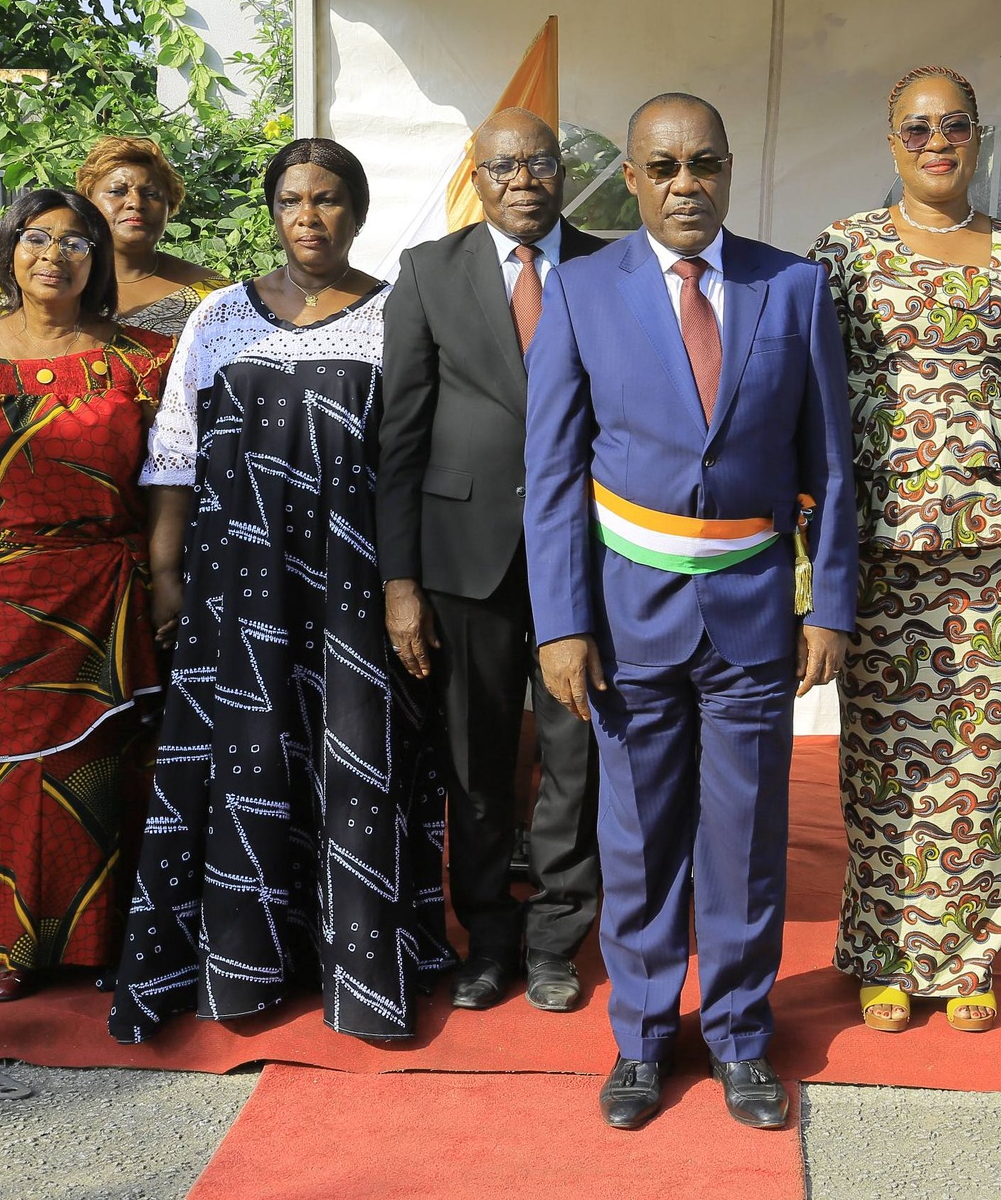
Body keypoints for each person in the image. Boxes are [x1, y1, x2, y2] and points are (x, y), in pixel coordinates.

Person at [525, 93, 856, 1130]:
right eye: (663, 167)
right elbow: (551, 473)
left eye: (703, 164)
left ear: (728, 170)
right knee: (635, 839)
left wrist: (828, 605)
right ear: (631, 177)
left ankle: (741, 1038)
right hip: (626, 618)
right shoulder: (581, 289)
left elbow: (830, 466)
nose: (685, 185)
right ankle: (640, 1039)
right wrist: (561, 624)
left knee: (745, 841)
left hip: (754, 612)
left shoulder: (792, 286)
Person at [109, 138, 456, 1043]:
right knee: (248, 759)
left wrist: (408, 585)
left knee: (354, 758)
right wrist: (166, 574)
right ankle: (243, 966)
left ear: (358, 212)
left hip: (355, 588)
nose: (310, 215)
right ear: (272, 212)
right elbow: (175, 454)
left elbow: (417, 459)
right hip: (238, 590)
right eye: (293, 199)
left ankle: (362, 970)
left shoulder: (399, 312)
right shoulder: (221, 313)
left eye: (329, 198)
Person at [809, 66, 1001, 1034]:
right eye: (917, 128)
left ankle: (967, 954)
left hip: (994, 553)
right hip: (877, 551)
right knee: (883, 761)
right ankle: (886, 952)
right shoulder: (844, 251)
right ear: (890, 141)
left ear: (977, 137)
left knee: (980, 763)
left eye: (954, 125)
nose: (937, 143)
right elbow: (807, 398)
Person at [379, 107, 608, 1012]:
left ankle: (555, 938)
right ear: (476, 178)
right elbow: (400, 435)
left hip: (583, 554)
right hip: (461, 558)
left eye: (539, 163)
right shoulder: (427, 271)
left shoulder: (611, 266)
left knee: (574, 756)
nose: (522, 181)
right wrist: (400, 580)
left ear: (562, 172)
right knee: (473, 761)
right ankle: (486, 935)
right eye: (503, 166)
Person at [0, 190, 170, 1001]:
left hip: (109, 591)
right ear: (9, 249)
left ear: (98, 260)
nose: (54, 255)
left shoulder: (144, 359)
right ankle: (17, 942)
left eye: (76, 242)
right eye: (37, 237)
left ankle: (111, 934)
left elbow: (171, 481)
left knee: (104, 769)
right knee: (9, 771)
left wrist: (167, 577)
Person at [0, 138, 223, 339]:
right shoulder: (43, 281)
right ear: (87, 202)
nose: (135, 203)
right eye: (117, 191)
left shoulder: (215, 297)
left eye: (151, 194)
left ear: (170, 205)